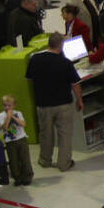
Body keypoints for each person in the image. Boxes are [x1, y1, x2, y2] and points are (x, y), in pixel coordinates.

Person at [25, 32, 84, 172]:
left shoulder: (35, 59)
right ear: (61, 45)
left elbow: (29, 79)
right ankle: (64, 163)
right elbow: (75, 84)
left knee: (46, 133)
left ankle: (45, 160)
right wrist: (80, 100)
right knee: (65, 134)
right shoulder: (66, 63)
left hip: (43, 104)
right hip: (63, 103)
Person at [0, 94, 34, 186]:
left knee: (25, 159)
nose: (7, 107)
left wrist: (13, 117)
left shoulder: (18, 113)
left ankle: (27, 176)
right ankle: (17, 177)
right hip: (10, 141)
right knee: (14, 160)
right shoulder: (1, 116)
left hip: (21, 139)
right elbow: (4, 128)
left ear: (14, 105)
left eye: (9, 105)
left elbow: (23, 124)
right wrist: (8, 117)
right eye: (5, 105)